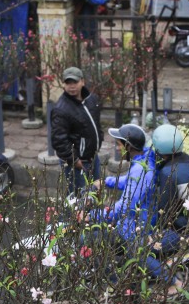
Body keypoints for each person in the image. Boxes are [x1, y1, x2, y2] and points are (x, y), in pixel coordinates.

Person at [147, 124, 189, 296]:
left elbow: (164, 210)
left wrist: (151, 228)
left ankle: (172, 282)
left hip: (185, 231)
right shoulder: (188, 161)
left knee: (142, 247)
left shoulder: (168, 172)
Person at [87, 124, 156, 249]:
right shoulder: (143, 161)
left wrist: (91, 216)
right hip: (133, 224)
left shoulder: (140, 170)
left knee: (86, 240)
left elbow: (125, 207)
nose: (117, 149)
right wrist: (106, 182)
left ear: (129, 146)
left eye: (119, 144)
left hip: (132, 232)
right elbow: (130, 180)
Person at [50, 66, 102, 194]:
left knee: (95, 193)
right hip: (78, 162)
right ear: (64, 85)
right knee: (78, 198)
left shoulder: (91, 99)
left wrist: (100, 139)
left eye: (75, 82)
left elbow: (96, 123)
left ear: (82, 82)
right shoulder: (61, 109)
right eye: (68, 83)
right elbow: (59, 140)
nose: (72, 86)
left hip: (93, 157)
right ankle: (70, 215)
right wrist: (74, 160)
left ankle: (92, 214)